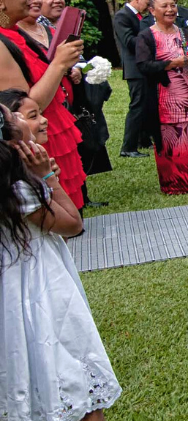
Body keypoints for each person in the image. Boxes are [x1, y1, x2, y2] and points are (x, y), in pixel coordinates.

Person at [0, 106, 122, 420]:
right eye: (14, 117)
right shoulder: (19, 192)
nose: (20, 118)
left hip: (12, 289)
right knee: (70, 366)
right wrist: (48, 177)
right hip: (38, 283)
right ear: (13, 143)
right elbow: (72, 223)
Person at [0, 0, 87, 211]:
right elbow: (25, 108)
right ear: (1, 1)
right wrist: (59, 64)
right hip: (37, 144)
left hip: (54, 133)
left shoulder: (14, 33)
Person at [134, 0, 188, 195]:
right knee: (171, 135)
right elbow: (143, 66)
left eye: (172, 5)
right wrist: (171, 64)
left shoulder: (184, 32)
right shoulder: (146, 36)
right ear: (152, 10)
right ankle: (176, 184)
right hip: (164, 96)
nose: (170, 10)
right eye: (164, 6)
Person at [36, 0, 113, 188]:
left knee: (78, 147)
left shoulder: (63, 25)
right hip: (49, 101)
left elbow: (77, 59)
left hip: (73, 100)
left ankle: (82, 193)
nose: (57, 0)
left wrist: (82, 68)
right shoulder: (35, 29)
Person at [113, 0, 153, 157]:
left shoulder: (138, 16)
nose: (148, 5)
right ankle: (128, 147)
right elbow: (129, 41)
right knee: (137, 106)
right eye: (147, 1)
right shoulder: (122, 16)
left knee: (145, 105)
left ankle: (143, 140)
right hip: (135, 68)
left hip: (144, 67)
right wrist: (153, 38)